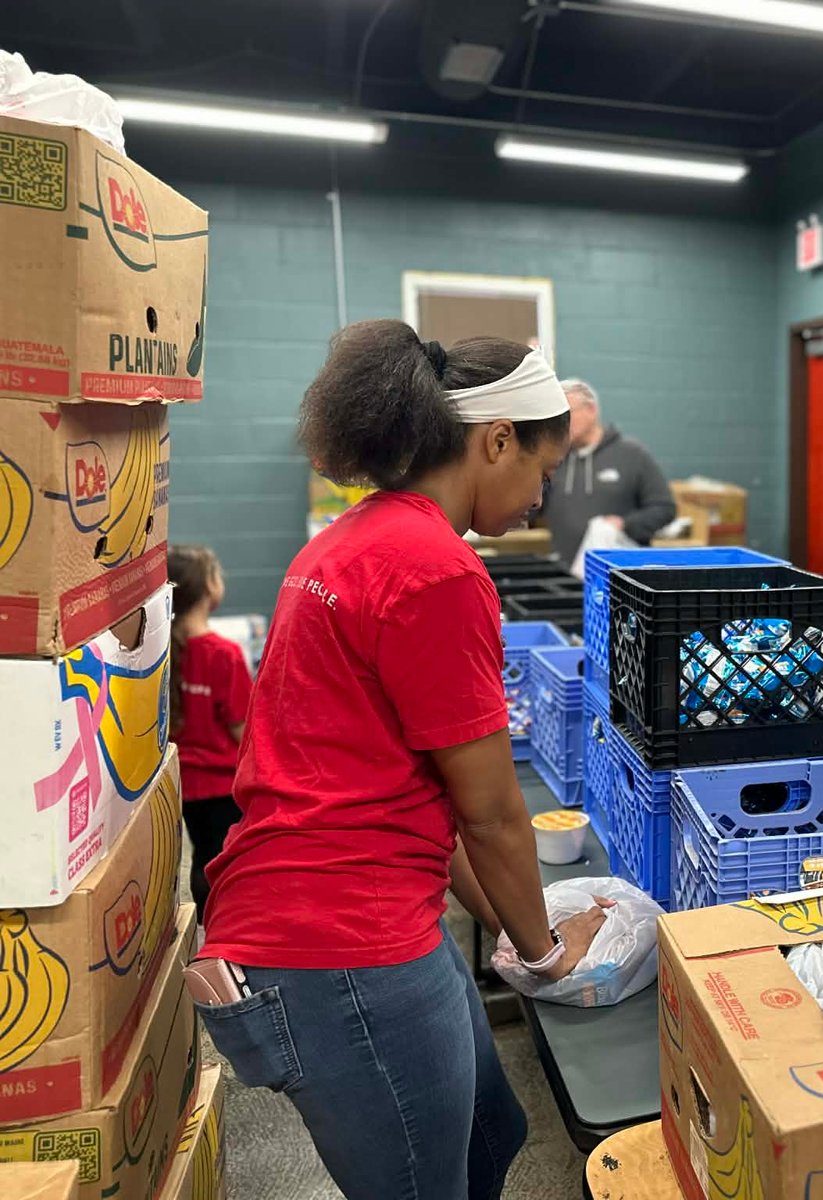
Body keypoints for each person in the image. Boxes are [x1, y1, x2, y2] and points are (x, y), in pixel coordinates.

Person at [193, 322, 611, 1200]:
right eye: (543, 467)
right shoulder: (438, 569)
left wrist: (500, 923)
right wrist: (544, 952)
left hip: (339, 906)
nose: (544, 494)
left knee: (496, 1130)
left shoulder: (355, 539)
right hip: (340, 940)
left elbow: (424, 795)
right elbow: (494, 813)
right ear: (497, 441)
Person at [167, 543, 250, 924]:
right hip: (222, 785)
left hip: (183, 782)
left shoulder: (162, 651)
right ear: (208, 589)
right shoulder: (224, 654)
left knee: (201, 854)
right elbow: (241, 729)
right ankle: (222, 927)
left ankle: (203, 923)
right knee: (223, 861)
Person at [542, 377, 676, 569]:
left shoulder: (632, 455)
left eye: (568, 413)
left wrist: (625, 524)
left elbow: (664, 508)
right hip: (566, 573)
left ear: (591, 410)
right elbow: (533, 506)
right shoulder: (555, 459)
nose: (561, 423)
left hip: (619, 578)